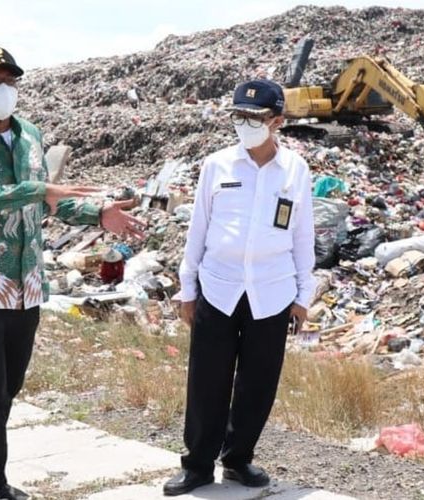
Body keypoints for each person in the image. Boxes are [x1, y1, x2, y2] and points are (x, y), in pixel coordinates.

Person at [0, 46, 145, 500]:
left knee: (9, 388)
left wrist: (97, 213)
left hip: (26, 283)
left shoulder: (29, 134)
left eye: (8, 82)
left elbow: (52, 200)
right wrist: (38, 188)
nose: (1, 91)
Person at [163, 79, 316, 496]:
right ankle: (196, 465)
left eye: (255, 118)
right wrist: (187, 288)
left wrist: (304, 296)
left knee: (258, 382)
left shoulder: (295, 170)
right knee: (207, 379)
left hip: (273, 290)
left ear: (277, 122)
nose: (245, 125)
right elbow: (198, 229)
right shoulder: (217, 165)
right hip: (219, 286)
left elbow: (302, 236)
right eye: (239, 117)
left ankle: (238, 459)